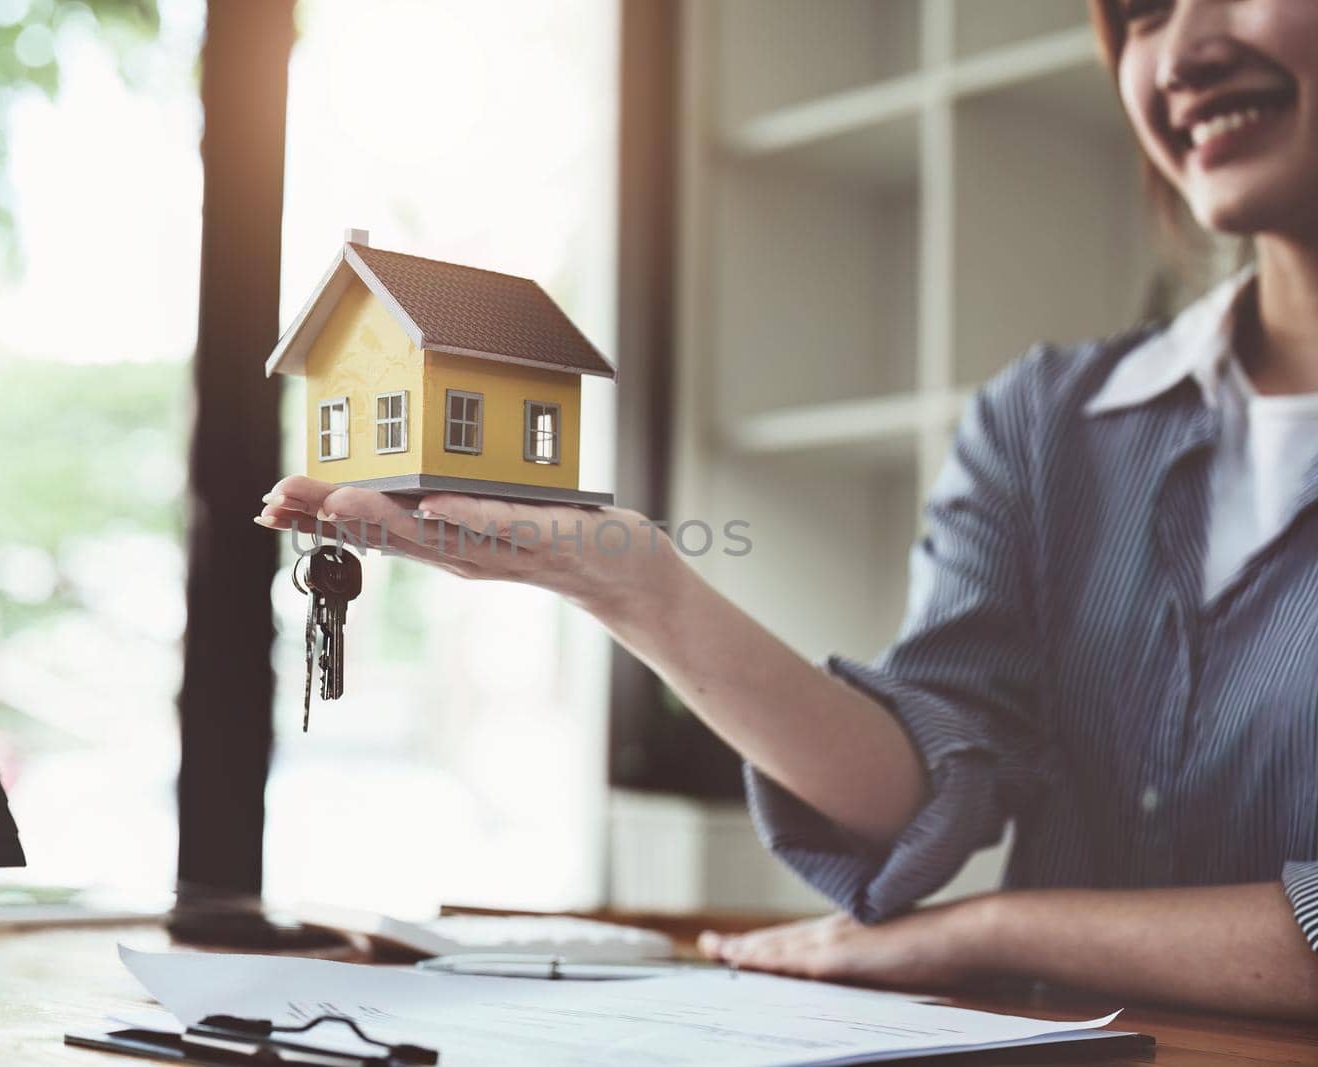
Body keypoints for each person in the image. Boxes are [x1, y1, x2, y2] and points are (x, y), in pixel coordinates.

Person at [256, 0, 1318, 1019]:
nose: (1177, 53)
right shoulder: (1048, 420)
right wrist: (639, 589)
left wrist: (997, 928)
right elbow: (917, 789)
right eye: (1138, 8)